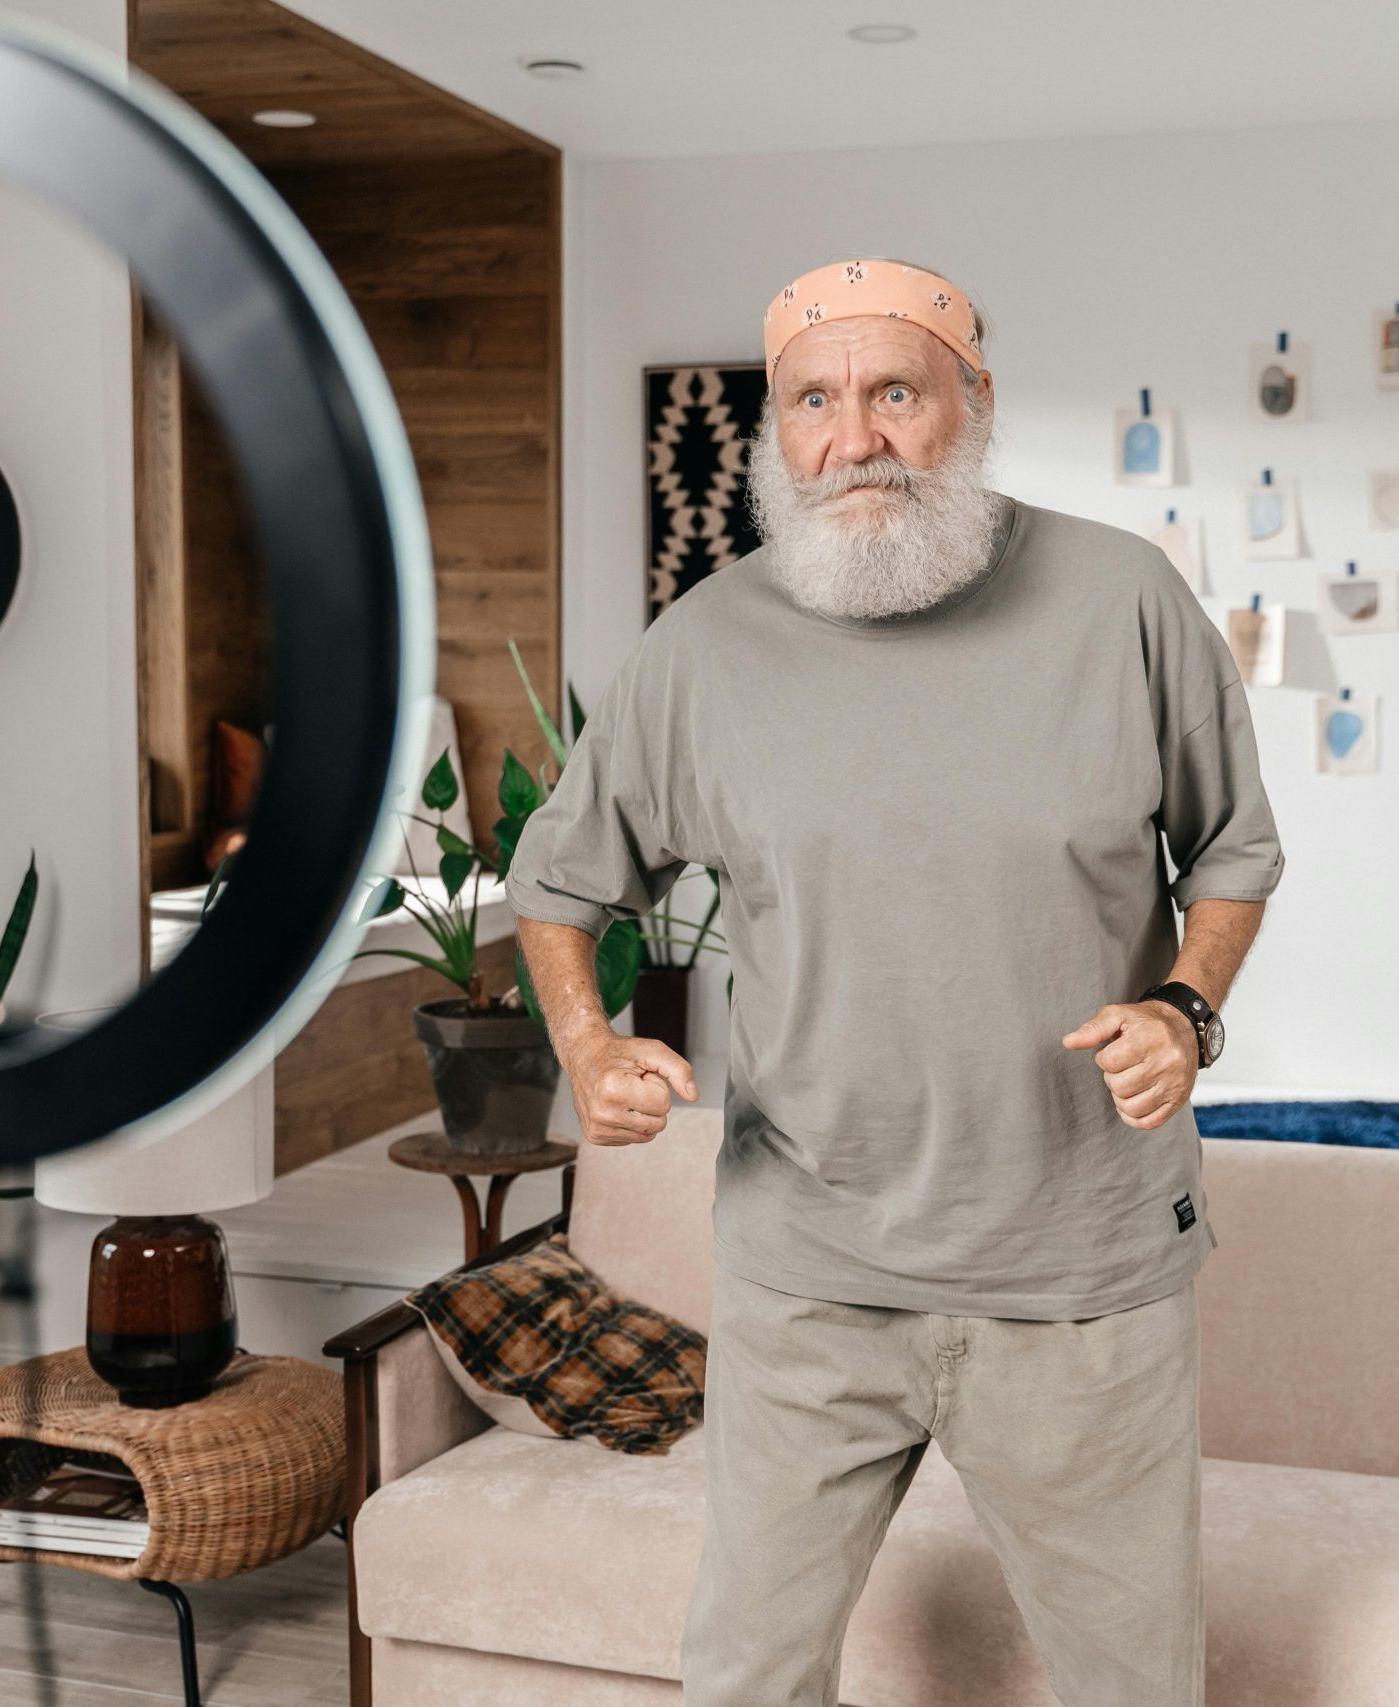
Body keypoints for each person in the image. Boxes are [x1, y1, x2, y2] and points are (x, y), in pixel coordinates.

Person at [506, 256, 1284, 1707]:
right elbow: (558, 884)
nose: (852, 436)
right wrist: (587, 1043)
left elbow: (1234, 851)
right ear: (776, 433)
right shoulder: (705, 649)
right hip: (810, 1275)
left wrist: (1183, 1010)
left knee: (1135, 1685)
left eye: (893, 393)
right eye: (813, 399)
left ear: (968, 406)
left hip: (1082, 1280)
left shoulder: (1122, 598)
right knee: (743, 1674)